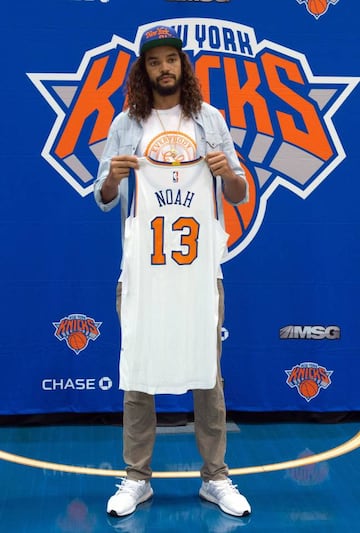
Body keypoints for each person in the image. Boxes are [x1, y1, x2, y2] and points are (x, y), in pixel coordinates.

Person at [94, 25, 251, 519]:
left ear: (184, 66)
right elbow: (103, 198)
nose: (164, 68)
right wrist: (113, 179)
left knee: (208, 371)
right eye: (155, 61)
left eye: (172, 60)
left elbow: (239, 192)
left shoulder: (208, 119)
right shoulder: (127, 123)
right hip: (142, 270)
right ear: (144, 69)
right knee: (138, 367)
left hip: (201, 270)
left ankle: (216, 477)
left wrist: (228, 171)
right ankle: (136, 478)